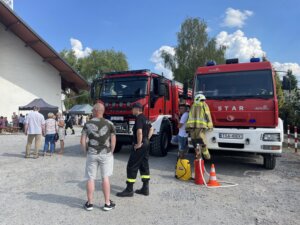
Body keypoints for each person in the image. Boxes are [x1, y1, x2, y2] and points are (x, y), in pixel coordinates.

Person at [80, 103, 116, 211]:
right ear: (103, 111)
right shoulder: (110, 123)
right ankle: (107, 203)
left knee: (90, 178)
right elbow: (113, 140)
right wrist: (111, 152)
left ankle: (90, 204)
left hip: (92, 153)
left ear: (95, 111)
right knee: (105, 177)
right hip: (106, 154)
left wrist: (85, 152)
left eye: (92, 110)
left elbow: (82, 141)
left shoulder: (87, 123)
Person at [117, 103, 154, 197]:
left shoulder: (139, 118)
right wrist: (147, 140)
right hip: (146, 143)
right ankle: (145, 188)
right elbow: (152, 129)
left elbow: (139, 131)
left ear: (137, 109)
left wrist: (139, 143)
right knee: (144, 164)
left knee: (132, 166)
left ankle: (129, 190)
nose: (131, 110)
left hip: (140, 144)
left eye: (132, 109)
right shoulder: (145, 118)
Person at [186, 93, 213, 160]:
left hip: (192, 126)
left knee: (195, 142)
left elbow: (189, 116)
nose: (204, 101)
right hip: (200, 126)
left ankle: (201, 157)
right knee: (201, 141)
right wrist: (210, 125)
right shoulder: (204, 105)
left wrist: (187, 127)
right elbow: (208, 115)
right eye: (203, 100)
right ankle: (205, 156)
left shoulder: (193, 105)